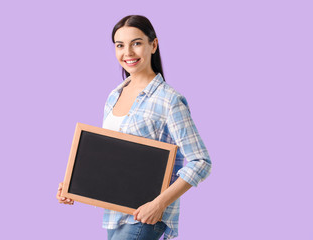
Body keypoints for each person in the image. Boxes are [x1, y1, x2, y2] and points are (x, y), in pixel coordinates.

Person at [56, 15, 212, 240]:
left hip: (143, 217)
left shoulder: (169, 100)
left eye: (136, 43)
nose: (127, 52)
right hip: (113, 215)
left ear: (153, 45)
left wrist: (158, 205)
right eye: (120, 45)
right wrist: (73, 184)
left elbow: (201, 161)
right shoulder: (114, 96)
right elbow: (108, 159)